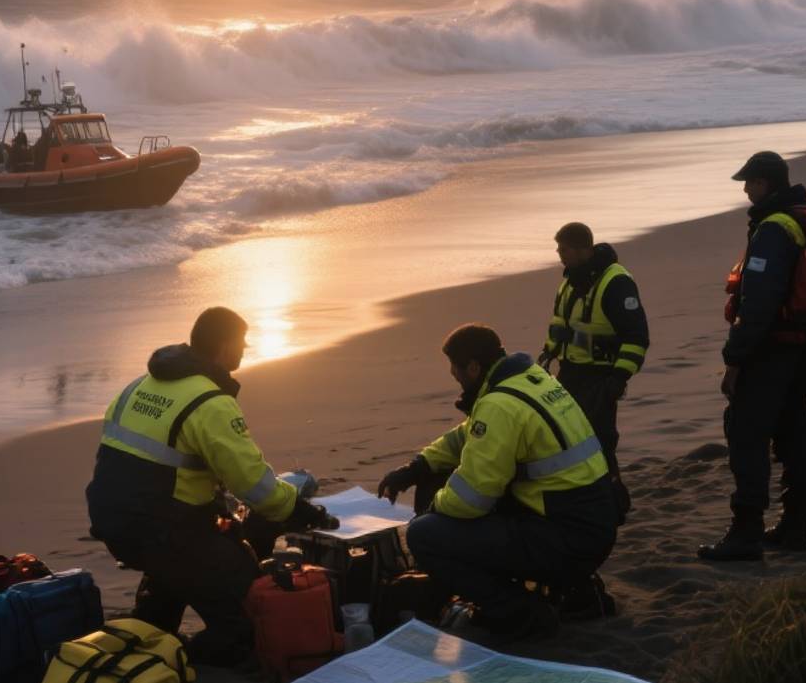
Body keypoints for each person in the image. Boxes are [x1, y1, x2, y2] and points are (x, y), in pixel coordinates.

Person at [86, 307, 336, 666]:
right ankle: (183, 661)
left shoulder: (139, 385)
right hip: (164, 529)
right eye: (242, 342)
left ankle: (153, 628)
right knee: (244, 621)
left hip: (112, 518)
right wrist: (301, 510)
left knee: (172, 577)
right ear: (224, 346)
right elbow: (255, 486)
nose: (245, 349)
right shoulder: (210, 402)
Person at [376, 324, 617, 638]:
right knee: (438, 478)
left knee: (424, 535)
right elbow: (467, 435)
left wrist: (431, 510)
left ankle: (519, 611)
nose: (453, 375)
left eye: (455, 368)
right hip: (590, 523)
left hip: (566, 538)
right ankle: (570, 587)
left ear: (474, 367)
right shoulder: (529, 378)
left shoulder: (498, 405)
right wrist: (418, 466)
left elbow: (471, 499)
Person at [699, 151, 806, 561]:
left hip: (771, 352)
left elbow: (758, 305)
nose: (744, 190)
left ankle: (746, 533)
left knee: (747, 436)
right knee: (794, 433)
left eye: (749, 182)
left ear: (765, 183)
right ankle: (795, 526)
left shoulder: (774, 228)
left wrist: (734, 359)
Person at [540, 222, 648, 522]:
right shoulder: (569, 282)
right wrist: (547, 354)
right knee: (568, 440)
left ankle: (614, 505)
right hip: (569, 373)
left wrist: (619, 378)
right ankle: (586, 502)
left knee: (598, 443)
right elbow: (559, 326)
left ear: (582, 249)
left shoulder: (616, 282)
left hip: (601, 377)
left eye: (563, 249)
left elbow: (637, 337)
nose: (559, 254)